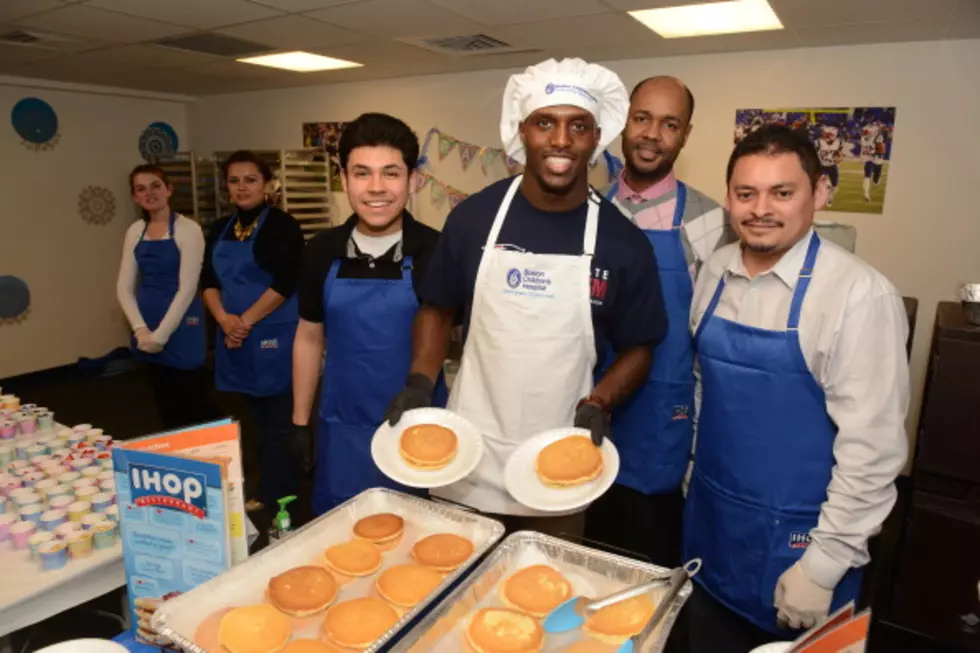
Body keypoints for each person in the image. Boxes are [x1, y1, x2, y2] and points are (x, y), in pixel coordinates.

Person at [385, 58, 668, 537]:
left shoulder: (623, 242)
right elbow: (438, 307)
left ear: (595, 137)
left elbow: (640, 346)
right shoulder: (474, 219)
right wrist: (419, 378)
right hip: (466, 454)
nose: (560, 140)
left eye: (577, 126)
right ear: (523, 132)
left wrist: (601, 399)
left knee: (542, 590)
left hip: (559, 461)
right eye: (545, 123)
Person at [683, 124, 909, 652]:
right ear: (729, 198)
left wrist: (824, 566)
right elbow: (703, 389)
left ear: (820, 194)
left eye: (782, 193)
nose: (761, 208)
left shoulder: (858, 296)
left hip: (800, 544)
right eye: (746, 193)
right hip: (713, 525)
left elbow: (872, 452)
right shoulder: (714, 271)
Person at [584, 76, 733, 568]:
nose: (652, 134)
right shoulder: (587, 212)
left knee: (650, 566)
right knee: (587, 559)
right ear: (623, 123)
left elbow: (718, 343)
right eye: (642, 118)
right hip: (585, 411)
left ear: (685, 135)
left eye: (669, 124)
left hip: (662, 422)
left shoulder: (710, 221)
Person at [290, 113, 445, 515]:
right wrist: (299, 422)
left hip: (419, 430)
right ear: (344, 180)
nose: (376, 188)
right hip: (342, 429)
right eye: (362, 173)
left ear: (412, 181)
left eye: (390, 173)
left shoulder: (437, 251)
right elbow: (309, 336)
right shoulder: (321, 252)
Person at [202, 150, 305, 513]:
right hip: (234, 333)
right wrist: (223, 319)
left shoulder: (282, 225)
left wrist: (243, 321)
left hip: (272, 333)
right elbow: (208, 280)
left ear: (267, 184)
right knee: (254, 418)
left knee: (280, 419)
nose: (242, 187)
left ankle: (281, 491)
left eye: (250, 179)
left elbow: (286, 281)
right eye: (234, 180)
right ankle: (264, 483)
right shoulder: (219, 228)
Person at [117, 164, 213, 430]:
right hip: (147, 325)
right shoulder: (135, 231)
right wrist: (140, 329)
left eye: (155, 186)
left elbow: (188, 288)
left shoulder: (188, 229)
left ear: (169, 189)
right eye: (141, 189)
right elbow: (124, 287)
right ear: (135, 197)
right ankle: (179, 461)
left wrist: (161, 335)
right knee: (165, 399)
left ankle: (221, 457)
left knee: (194, 400)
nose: (149, 193)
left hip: (182, 323)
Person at [816, 125, 844, 207]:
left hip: (832, 165)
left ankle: (829, 198)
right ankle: (823, 193)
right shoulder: (819, 142)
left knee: (835, 185)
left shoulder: (838, 142)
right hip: (822, 165)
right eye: (826, 134)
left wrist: (839, 158)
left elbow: (840, 154)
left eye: (829, 135)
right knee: (823, 183)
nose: (827, 136)